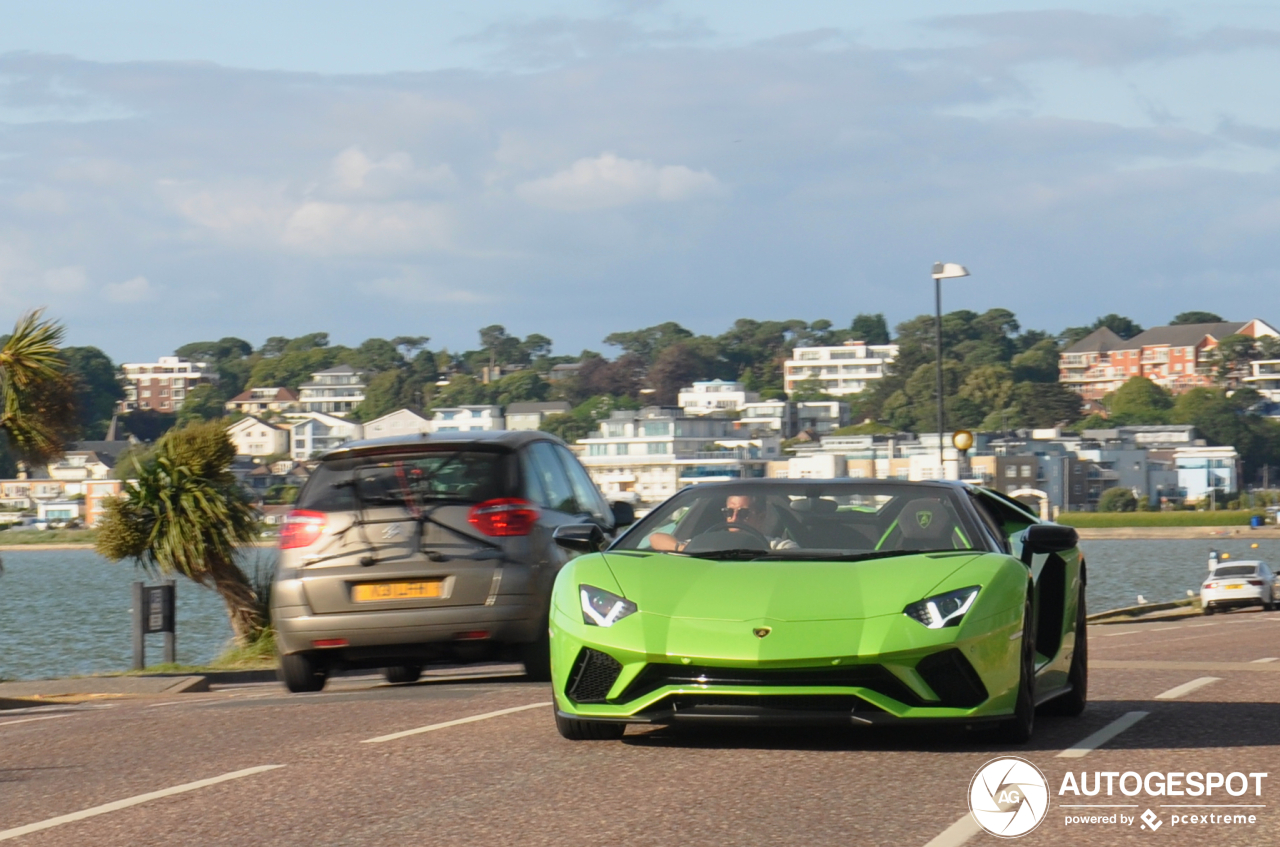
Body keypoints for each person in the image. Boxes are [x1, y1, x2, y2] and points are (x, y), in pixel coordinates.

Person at [649, 493, 798, 552]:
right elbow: (655, 538)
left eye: (744, 513)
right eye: (728, 512)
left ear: (761, 517)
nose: (734, 518)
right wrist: (683, 548)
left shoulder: (779, 547)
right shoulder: (705, 543)